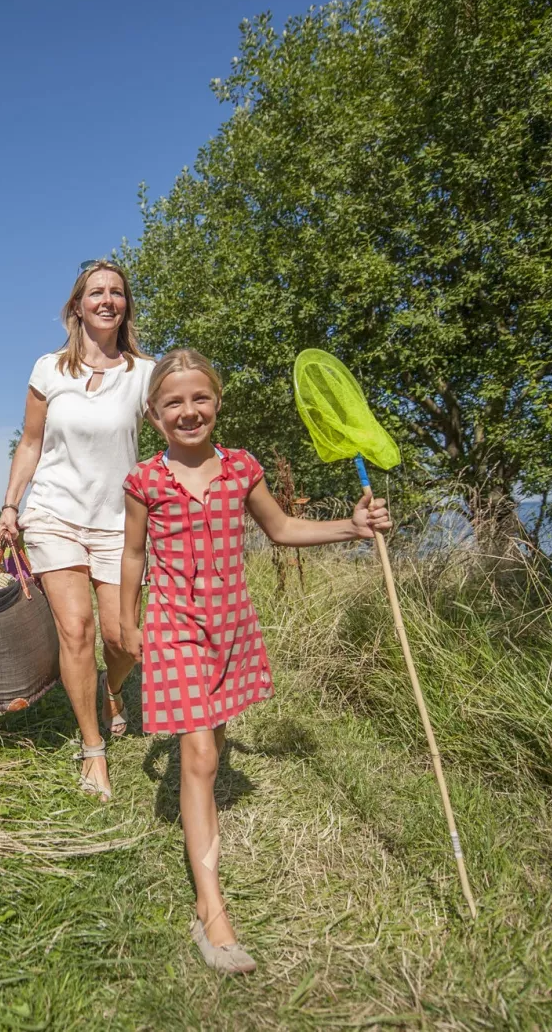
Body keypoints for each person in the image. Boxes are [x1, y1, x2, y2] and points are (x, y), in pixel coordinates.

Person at [119, 349, 391, 975]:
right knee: (201, 753)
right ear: (155, 416)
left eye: (200, 399)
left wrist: (352, 527)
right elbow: (133, 556)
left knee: (212, 739)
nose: (189, 412)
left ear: (216, 403)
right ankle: (210, 910)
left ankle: (205, 843)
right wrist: (124, 619)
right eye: (173, 404)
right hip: (175, 626)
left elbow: (283, 529)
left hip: (231, 625)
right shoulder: (144, 481)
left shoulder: (242, 468)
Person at [0, 260, 151, 800]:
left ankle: (110, 690)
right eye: (96, 292)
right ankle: (93, 751)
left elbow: (180, 429)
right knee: (77, 630)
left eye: (117, 293)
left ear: (126, 305)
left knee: (122, 638)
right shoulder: (48, 370)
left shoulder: (145, 374)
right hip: (55, 515)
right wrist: (11, 505)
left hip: (120, 523)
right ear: (77, 306)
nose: (107, 300)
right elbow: (31, 443)